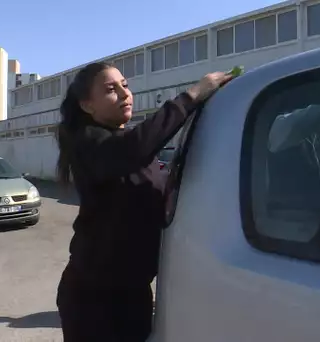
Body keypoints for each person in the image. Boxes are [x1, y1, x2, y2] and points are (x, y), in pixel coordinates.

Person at [55, 61, 233, 342]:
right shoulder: (89, 144)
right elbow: (136, 147)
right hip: (93, 299)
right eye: (111, 90)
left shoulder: (127, 147)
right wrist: (192, 95)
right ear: (88, 105)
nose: (125, 94)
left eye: (125, 85)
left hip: (132, 293)